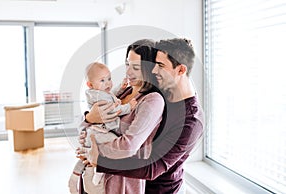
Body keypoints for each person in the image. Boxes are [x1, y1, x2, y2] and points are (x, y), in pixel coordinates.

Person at [81, 38, 204, 194]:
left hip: (160, 190)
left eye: (160, 66)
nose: (153, 70)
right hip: (124, 181)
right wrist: (89, 120)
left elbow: (153, 168)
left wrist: (99, 160)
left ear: (180, 70)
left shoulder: (191, 121)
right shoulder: (159, 91)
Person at [72, 39, 167, 194]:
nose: (128, 72)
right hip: (92, 173)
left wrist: (93, 151)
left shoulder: (152, 100)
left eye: (135, 67)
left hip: (119, 183)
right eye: (127, 64)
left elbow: (128, 146)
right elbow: (86, 124)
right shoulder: (122, 92)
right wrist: (89, 120)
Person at [68, 62, 138, 194]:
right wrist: (129, 107)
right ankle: (95, 174)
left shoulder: (98, 92)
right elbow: (114, 109)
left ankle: (75, 174)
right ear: (90, 85)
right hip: (100, 132)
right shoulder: (99, 96)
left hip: (95, 131)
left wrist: (120, 88)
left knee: (86, 154)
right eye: (102, 80)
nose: (108, 83)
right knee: (114, 142)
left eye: (109, 79)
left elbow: (111, 95)